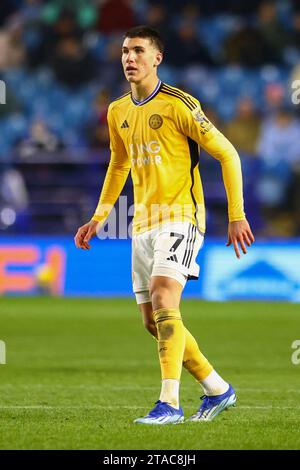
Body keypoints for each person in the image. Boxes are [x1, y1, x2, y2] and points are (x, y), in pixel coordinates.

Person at [74, 26, 254, 424]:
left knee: (162, 299)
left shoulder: (180, 105)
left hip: (181, 216)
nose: (129, 58)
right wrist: (99, 217)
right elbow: (118, 164)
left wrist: (236, 214)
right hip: (141, 225)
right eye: (124, 51)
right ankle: (217, 389)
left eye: (138, 50)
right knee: (152, 322)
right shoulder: (117, 110)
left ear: (158, 58)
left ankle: (169, 403)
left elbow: (228, 154)